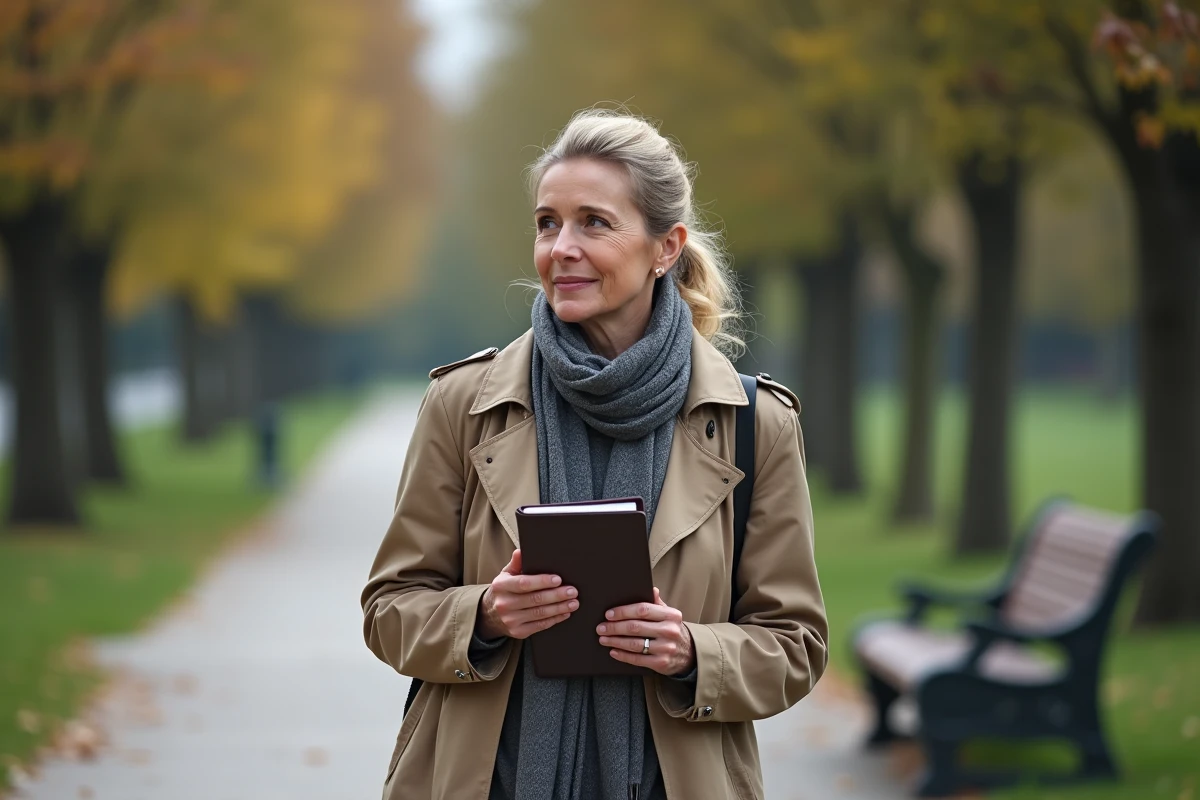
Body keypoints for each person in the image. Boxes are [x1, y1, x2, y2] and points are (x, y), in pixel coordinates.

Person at [361, 109, 828, 800]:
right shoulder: (464, 405)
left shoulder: (753, 423)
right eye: (548, 223)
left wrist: (692, 651)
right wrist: (485, 615)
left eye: (594, 223)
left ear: (665, 248)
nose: (562, 247)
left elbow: (796, 643)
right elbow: (389, 607)